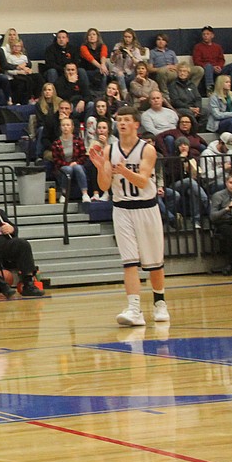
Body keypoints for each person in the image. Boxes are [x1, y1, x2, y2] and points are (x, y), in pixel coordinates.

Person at [89, 106, 168, 327]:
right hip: (122, 209)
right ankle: (134, 309)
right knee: (129, 262)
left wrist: (124, 172)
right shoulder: (109, 150)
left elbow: (143, 181)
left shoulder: (147, 150)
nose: (122, 123)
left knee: (154, 263)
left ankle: (159, 302)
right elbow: (104, 186)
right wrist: (99, 168)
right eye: (119, 120)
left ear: (136, 124)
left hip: (146, 208)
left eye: (126, 120)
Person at [209, 173, 232, 274]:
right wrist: (226, 209)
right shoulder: (218, 196)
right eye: (231, 183)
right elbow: (213, 216)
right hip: (222, 222)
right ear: (226, 183)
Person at [51, 117, 90, 204]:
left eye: (68, 125)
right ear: (60, 127)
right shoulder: (56, 143)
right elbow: (56, 160)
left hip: (77, 165)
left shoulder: (78, 140)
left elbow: (83, 156)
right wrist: (68, 164)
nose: (65, 127)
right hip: (62, 167)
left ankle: (85, 194)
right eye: (63, 125)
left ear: (72, 127)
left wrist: (75, 163)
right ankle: (64, 194)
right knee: (68, 169)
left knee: (78, 168)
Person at [192, 26, 232, 92]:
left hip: (219, 69)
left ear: (212, 35)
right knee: (208, 66)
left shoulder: (217, 47)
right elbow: (197, 61)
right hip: (207, 69)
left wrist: (219, 66)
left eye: (207, 34)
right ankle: (210, 89)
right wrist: (212, 67)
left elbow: (221, 59)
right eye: (204, 34)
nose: (205, 36)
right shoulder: (198, 47)